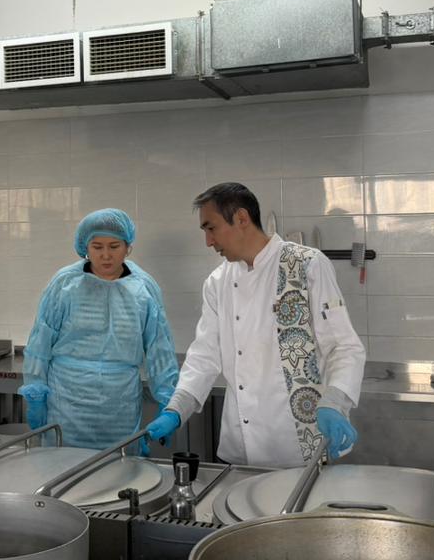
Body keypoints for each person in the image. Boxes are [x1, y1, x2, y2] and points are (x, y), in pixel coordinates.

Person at [145, 183, 366, 467]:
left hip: (302, 442)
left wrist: (335, 401)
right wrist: (176, 410)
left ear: (241, 218)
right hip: (242, 445)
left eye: (211, 228)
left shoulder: (307, 265)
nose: (208, 241)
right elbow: (204, 356)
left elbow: (344, 347)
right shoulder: (217, 282)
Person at [20, 209, 180, 450]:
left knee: (118, 468)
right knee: (63, 467)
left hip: (119, 407)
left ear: (128, 247)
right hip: (67, 404)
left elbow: (160, 349)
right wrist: (36, 395)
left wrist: (168, 402)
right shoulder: (65, 284)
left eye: (114, 246)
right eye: (97, 247)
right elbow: (39, 343)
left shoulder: (143, 288)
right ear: (85, 247)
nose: (106, 255)